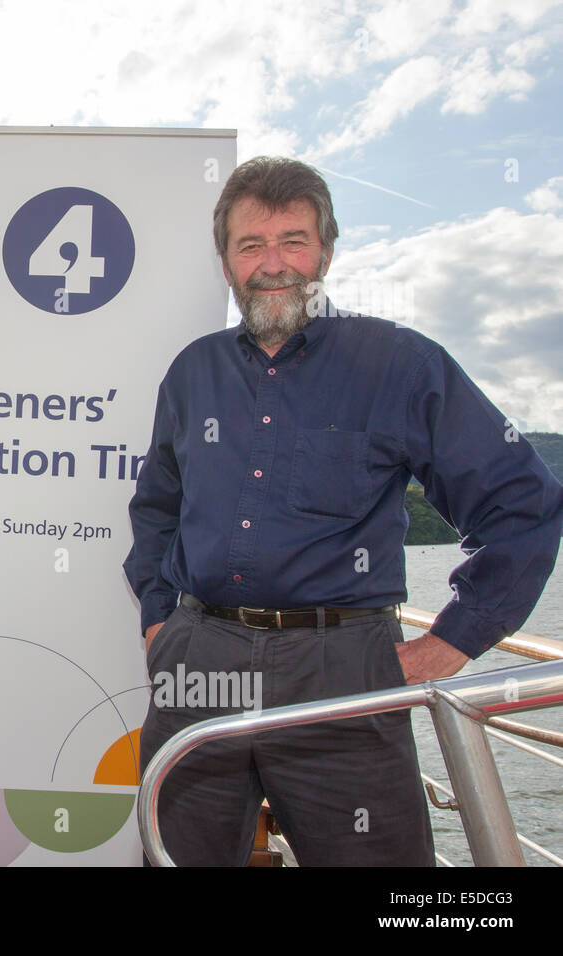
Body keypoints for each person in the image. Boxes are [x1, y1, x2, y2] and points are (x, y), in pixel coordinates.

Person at [125, 156, 563, 867]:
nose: (274, 264)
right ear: (226, 261)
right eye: (251, 245)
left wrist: (450, 641)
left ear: (325, 249)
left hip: (342, 672)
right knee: (175, 857)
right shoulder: (192, 374)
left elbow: (524, 504)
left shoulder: (401, 364)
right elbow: (155, 509)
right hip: (199, 663)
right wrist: (157, 621)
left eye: (293, 240)